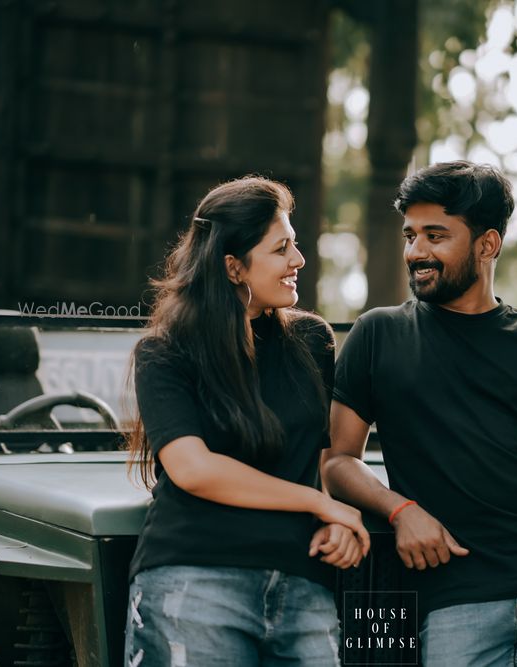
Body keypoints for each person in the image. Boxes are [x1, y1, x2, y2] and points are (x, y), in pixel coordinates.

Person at [324, 161, 517, 665]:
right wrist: (400, 509)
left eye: (436, 236)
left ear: (488, 245)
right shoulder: (378, 335)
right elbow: (337, 461)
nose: (417, 252)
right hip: (455, 600)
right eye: (410, 235)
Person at [124, 176, 369, 667]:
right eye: (282, 249)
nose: (298, 261)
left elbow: (319, 461)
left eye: (295, 245)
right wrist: (321, 505)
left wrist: (335, 519)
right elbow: (193, 469)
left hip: (305, 582)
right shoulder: (165, 351)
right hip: (196, 579)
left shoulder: (313, 341)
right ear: (233, 267)